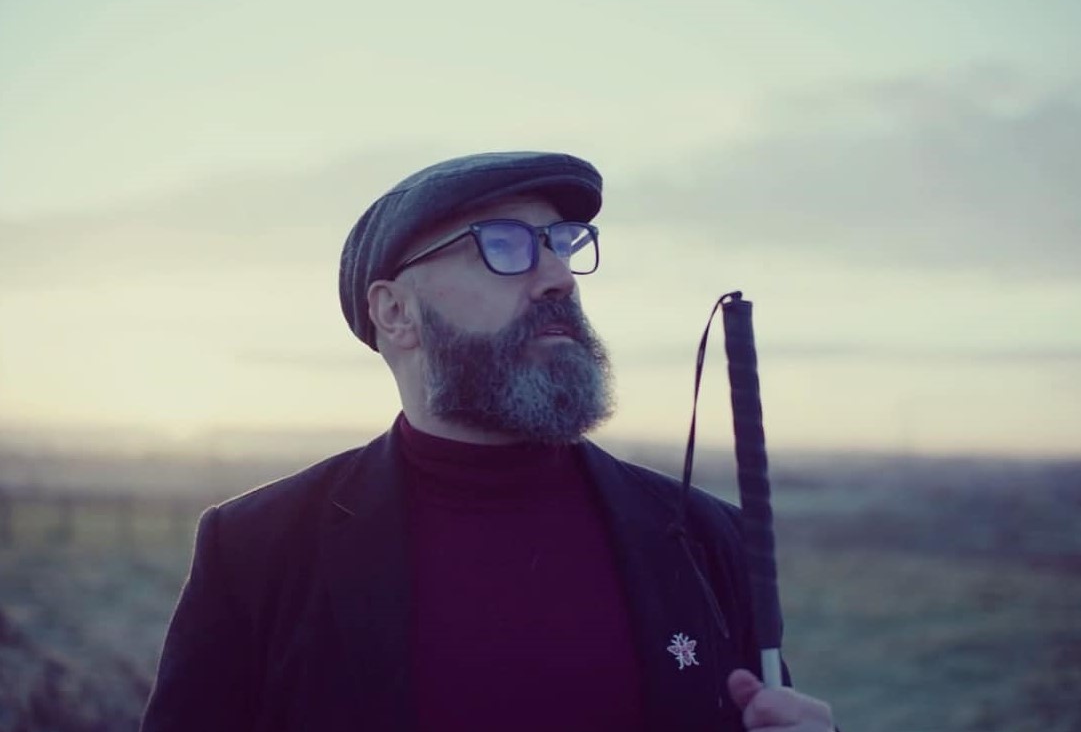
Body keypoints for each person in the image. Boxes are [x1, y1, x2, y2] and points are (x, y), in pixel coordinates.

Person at [141, 151, 834, 732]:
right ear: (395, 311)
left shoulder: (701, 536)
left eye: (561, 243)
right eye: (503, 246)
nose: (559, 276)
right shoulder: (259, 549)